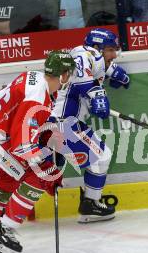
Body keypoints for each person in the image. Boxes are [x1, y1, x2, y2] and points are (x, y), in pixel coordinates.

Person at [0, 50, 76, 253]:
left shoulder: (34, 77)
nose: (69, 78)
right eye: (68, 74)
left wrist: (47, 140)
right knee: (40, 174)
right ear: (62, 75)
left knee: (7, 180)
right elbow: (23, 140)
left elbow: (26, 119)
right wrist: (46, 164)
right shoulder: (39, 97)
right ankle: (4, 230)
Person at [48, 28, 130, 223]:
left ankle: (89, 203)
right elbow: (83, 79)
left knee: (100, 156)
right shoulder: (81, 54)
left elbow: (97, 69)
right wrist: (99, 95)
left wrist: (113, 72)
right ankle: (90, 204)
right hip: (61, 123)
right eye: (110, 49)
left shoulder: (93, 58)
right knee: (101, 156)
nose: (114, 54)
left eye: (115, 49)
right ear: (96, 47)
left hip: (64, 123)